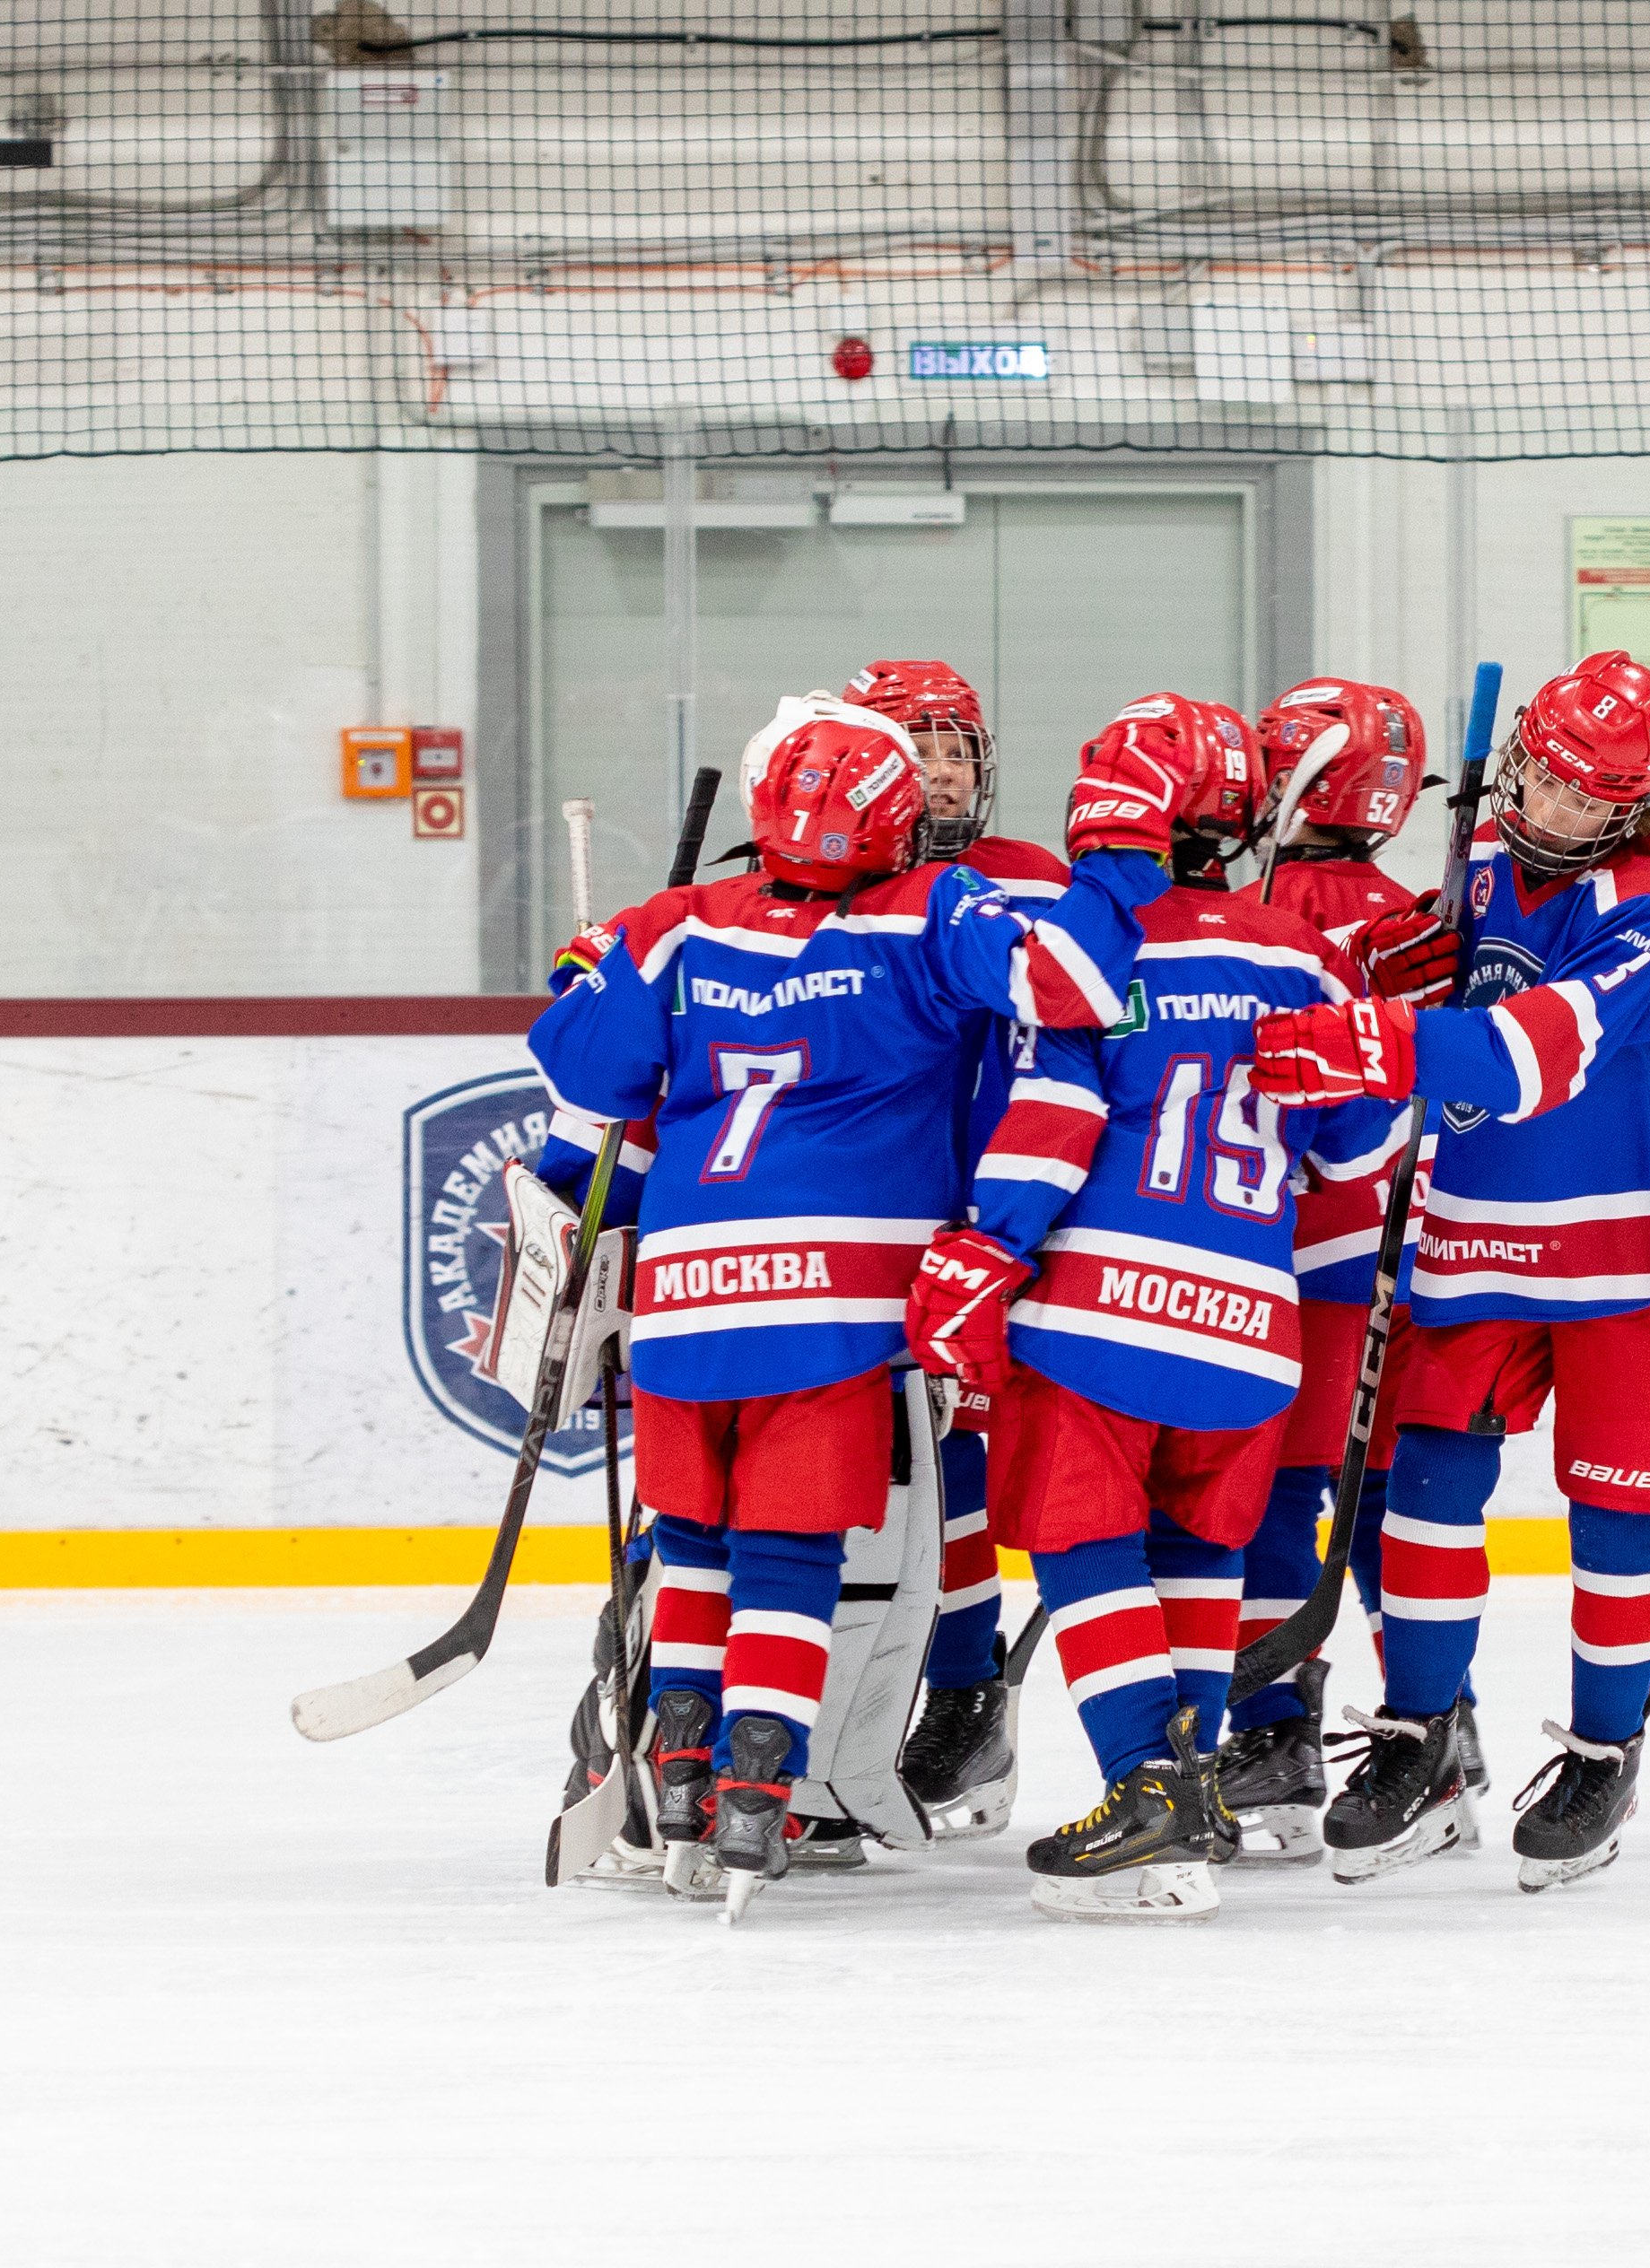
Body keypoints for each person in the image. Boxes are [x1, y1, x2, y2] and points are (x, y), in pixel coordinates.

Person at [528, 689, 1189, 1915]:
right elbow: (1079, 981)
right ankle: (759, 1789)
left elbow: (587, 1072)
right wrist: (1123, 867)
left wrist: (594, 969)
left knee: (691, 1542)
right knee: (789, 1555)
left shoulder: (675, 925)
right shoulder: (933, 911)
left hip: (689, 1294)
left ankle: (678, 1762)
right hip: (848, 1303)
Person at [1249, 650, 1650, 1891]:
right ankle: (1421, 1741)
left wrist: (1380, 1037)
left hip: (1644, 1247)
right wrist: (1412, 958)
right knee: (1424, 1486)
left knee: (1618, 1520)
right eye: (1545, 779)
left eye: (1591, 799)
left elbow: (1539, 1049)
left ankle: (1603, 1748)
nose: (1556, 811)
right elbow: (1460, 976)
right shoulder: (1485, 862)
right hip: (1484, 1229)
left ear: (1637, 802)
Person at [905, 692, 1411, 1923]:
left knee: (1085, 1552)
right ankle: (1191, 1794)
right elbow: (1357, 1149)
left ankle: (1147, 1788)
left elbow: (1051, 1126)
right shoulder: (1301, 951)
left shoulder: (1097, 954)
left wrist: (982, 1251)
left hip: (1101, 1319)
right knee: (1194, 1555)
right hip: (1251, 1326)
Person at [1208, 676, 1477, 1862]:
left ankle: (1273, 1731)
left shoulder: (1232, 906)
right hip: (1370, 1246)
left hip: (1260, 1240)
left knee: (1274, 1491)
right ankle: (1441, 1720)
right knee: (1370, 1494)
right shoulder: (1405, 914)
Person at [832, 659, 1060, 1844]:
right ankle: (831, 1715)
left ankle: (968, 1697)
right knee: (854, 1473)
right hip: (860, 1213)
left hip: (1000, 1215)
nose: (938, 769)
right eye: (910, 745)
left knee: (953, 1460)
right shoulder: (822, 879)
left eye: (955, 746)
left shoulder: (1029, 882)